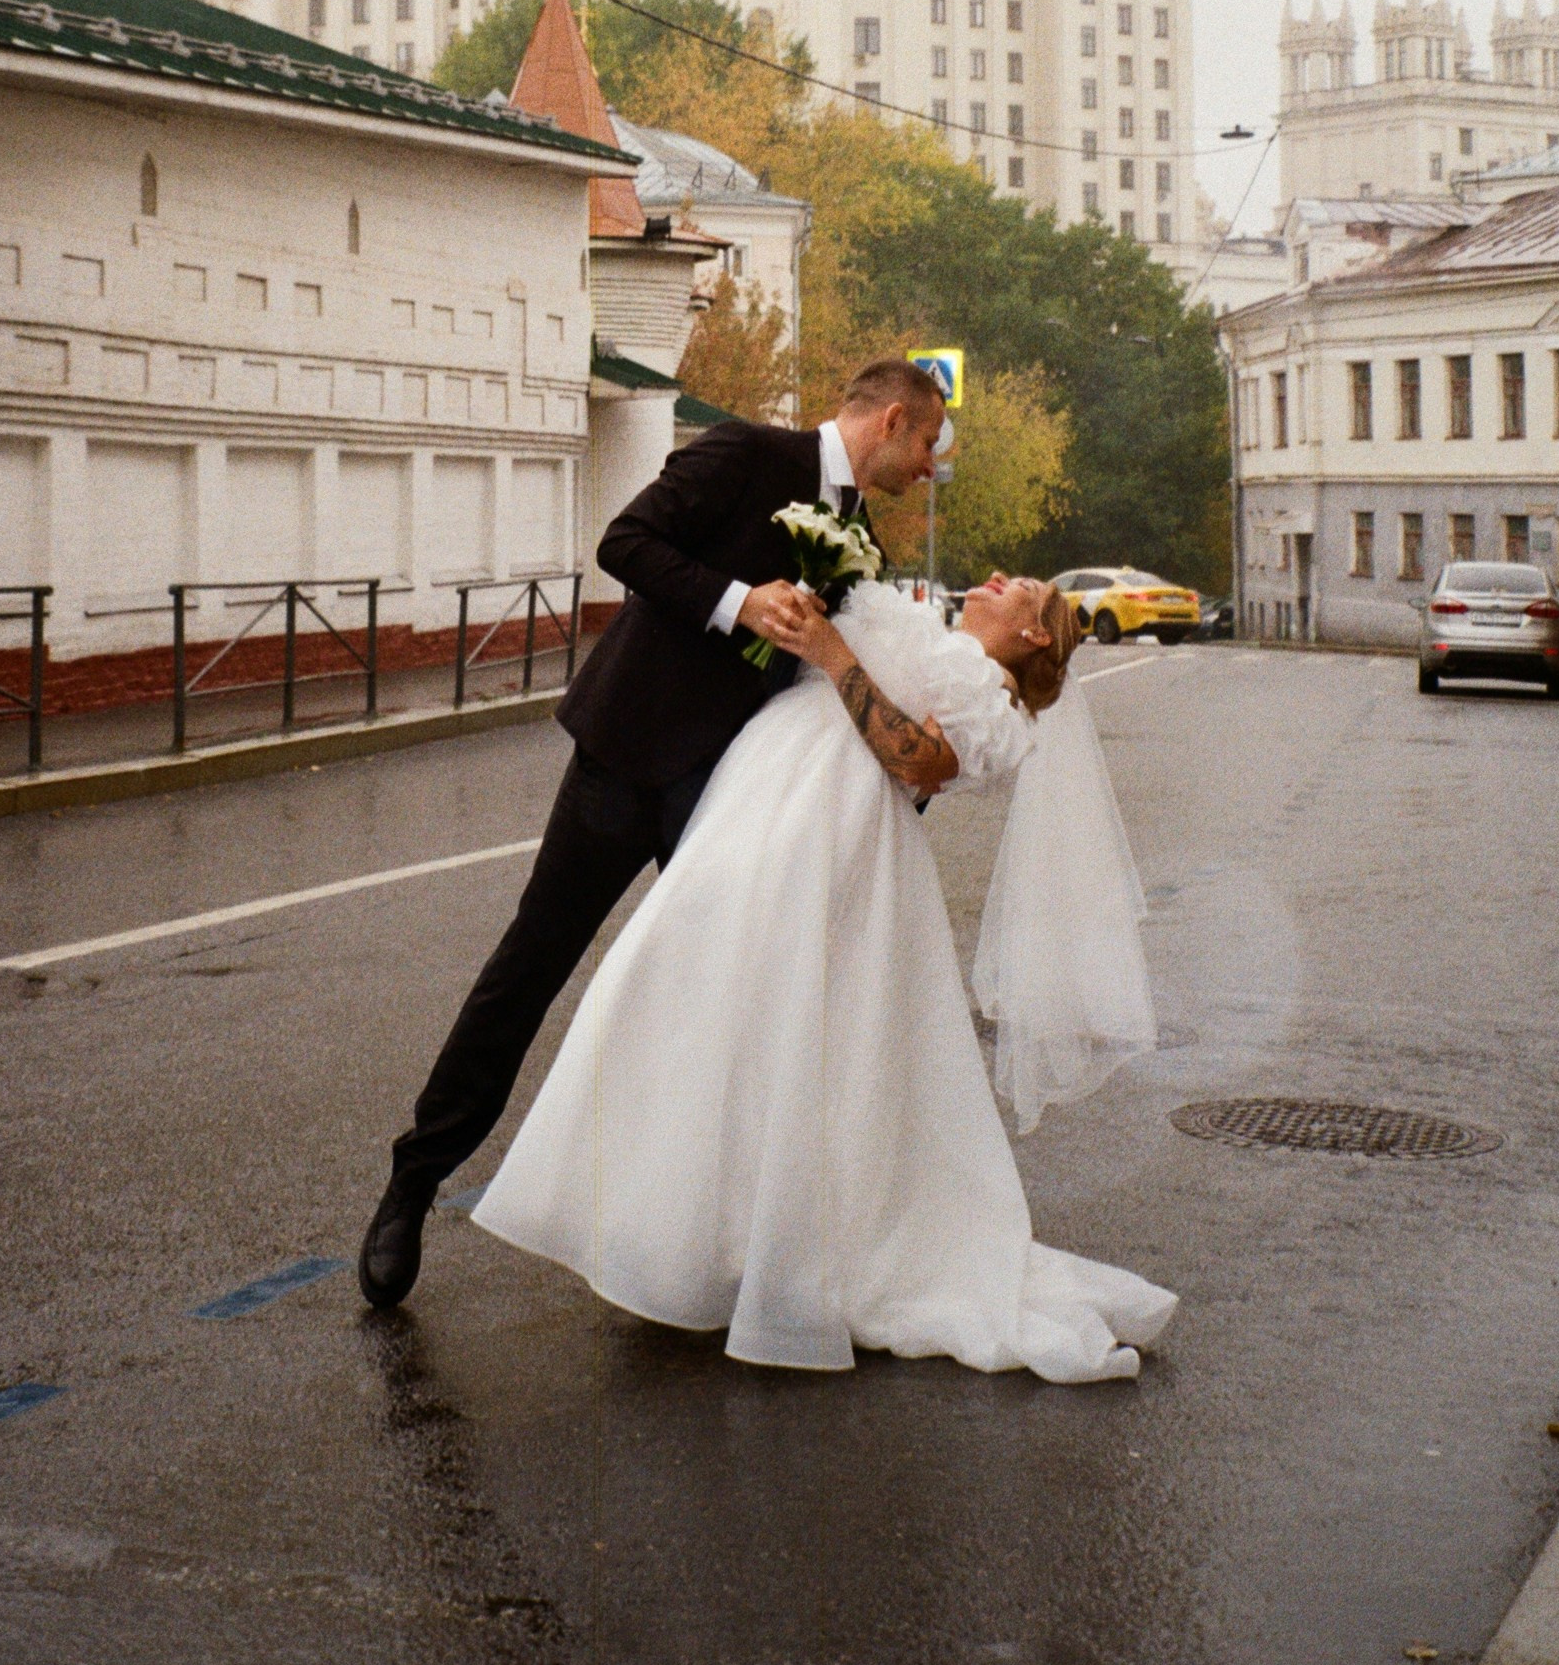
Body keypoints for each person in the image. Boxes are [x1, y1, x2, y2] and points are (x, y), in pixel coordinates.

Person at [357, 357, 955, 1309]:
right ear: (890, 420)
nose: (929, 467)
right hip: (626, 753)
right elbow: (624, 542)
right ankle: (411, 1183)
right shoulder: (745, 453)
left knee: (717, 1001)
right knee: (531, 966)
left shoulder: (858, 540)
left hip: (727, 791)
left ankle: (685, 1236)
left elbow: (825, 674)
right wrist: (739, 601)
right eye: (926, 445)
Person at [471, 570, 1174, 1378]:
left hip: (824, 838)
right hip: (764, 801)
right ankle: (685, 1227)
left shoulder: (994, 699)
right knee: (694, 1001)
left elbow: (915, 757)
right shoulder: (941, 646)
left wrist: (832, 649)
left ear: (1035, 634)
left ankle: (758, 1243)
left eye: (1014, 586)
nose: (990, 578)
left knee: (782, 1026)